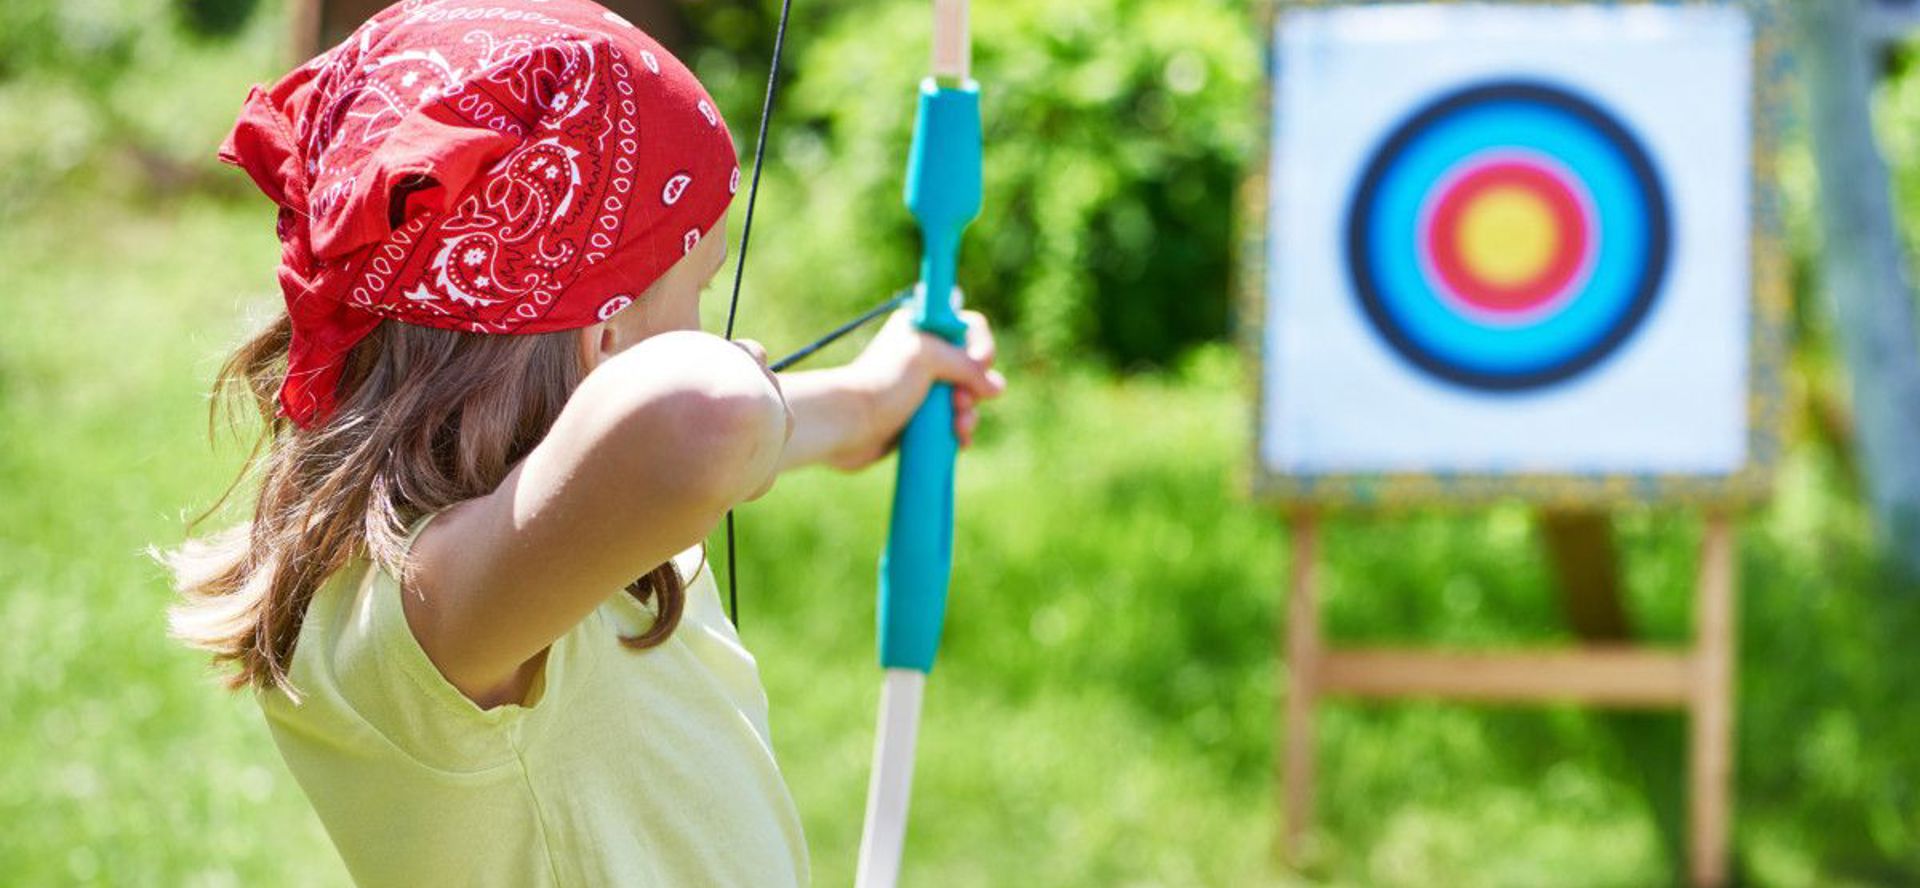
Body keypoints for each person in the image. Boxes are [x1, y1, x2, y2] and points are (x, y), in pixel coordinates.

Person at [159, 1, 1004, 884]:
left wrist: (869, 403)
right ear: (602, 341)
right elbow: (703, 418)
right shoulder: (436, 610)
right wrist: (747, 393)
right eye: (697, 288)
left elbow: (682, 430)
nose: (712, 332)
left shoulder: (541, 537)